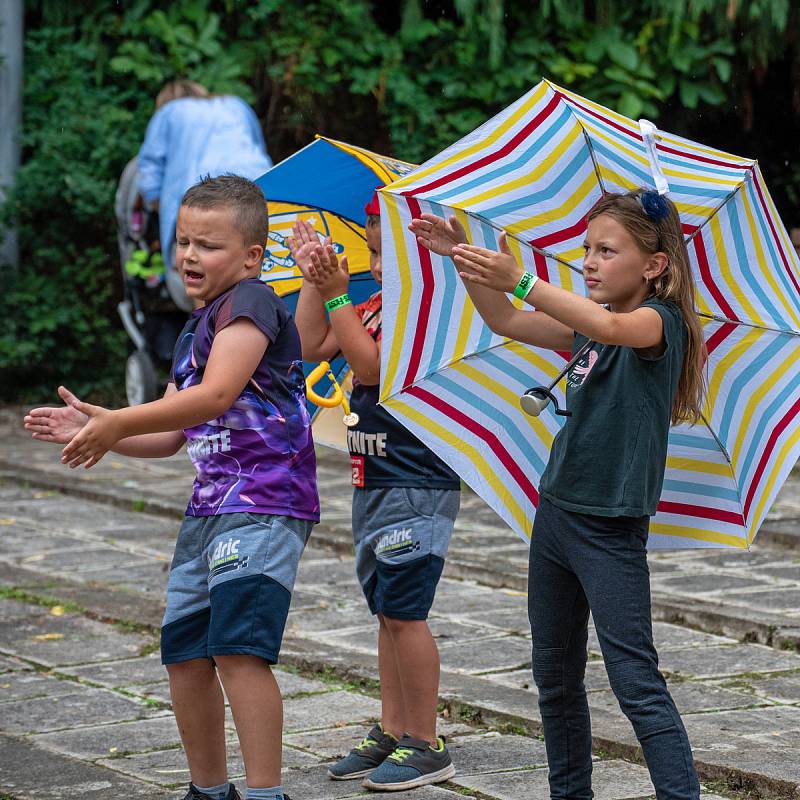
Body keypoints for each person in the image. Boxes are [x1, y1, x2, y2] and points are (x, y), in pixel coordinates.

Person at [24, 175, 318, 800]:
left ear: (250, 258)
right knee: (185, 653)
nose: (189, 256)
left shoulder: (252, 305)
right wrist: (98, 425)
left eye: (208, 245)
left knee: (239, 650)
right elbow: (170, 434)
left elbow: (215, 397)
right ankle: (208, 789)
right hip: (208, 510)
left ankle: (266, 793)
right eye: (183, 241)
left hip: (263, 505)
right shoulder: (193, 332)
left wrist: (116, 421)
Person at [410, 189, 705, 800]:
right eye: (586, 249)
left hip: (610, 529)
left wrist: (523, 279)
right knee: (554, 677)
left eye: (606, 251)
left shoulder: (657, 324)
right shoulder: (588, 334)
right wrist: (462, 257)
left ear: (654, 266)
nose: (589, 262)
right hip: (558, 516)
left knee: (635, 683)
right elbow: (506, 320)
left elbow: (609, 323)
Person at [288, 190, 461, 790]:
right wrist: (315, 281)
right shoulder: (376, 304)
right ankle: (394, 728)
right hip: (375, 477)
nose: (380, 262)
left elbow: (369, 369)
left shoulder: (431, 308)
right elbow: (310, 346)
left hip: (417, 481)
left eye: (393, 249)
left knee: (407, 612)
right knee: (387, 611)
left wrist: (336, 291)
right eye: (373, 249)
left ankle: (427, 739)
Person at [138, 80, 273, 310]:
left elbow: (149, 178)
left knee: (202, 276)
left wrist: (163, 211)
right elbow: (258, 147)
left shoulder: (168, 114)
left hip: (203, 199)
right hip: (259, 194)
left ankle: (205, 337)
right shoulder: (236, 105)